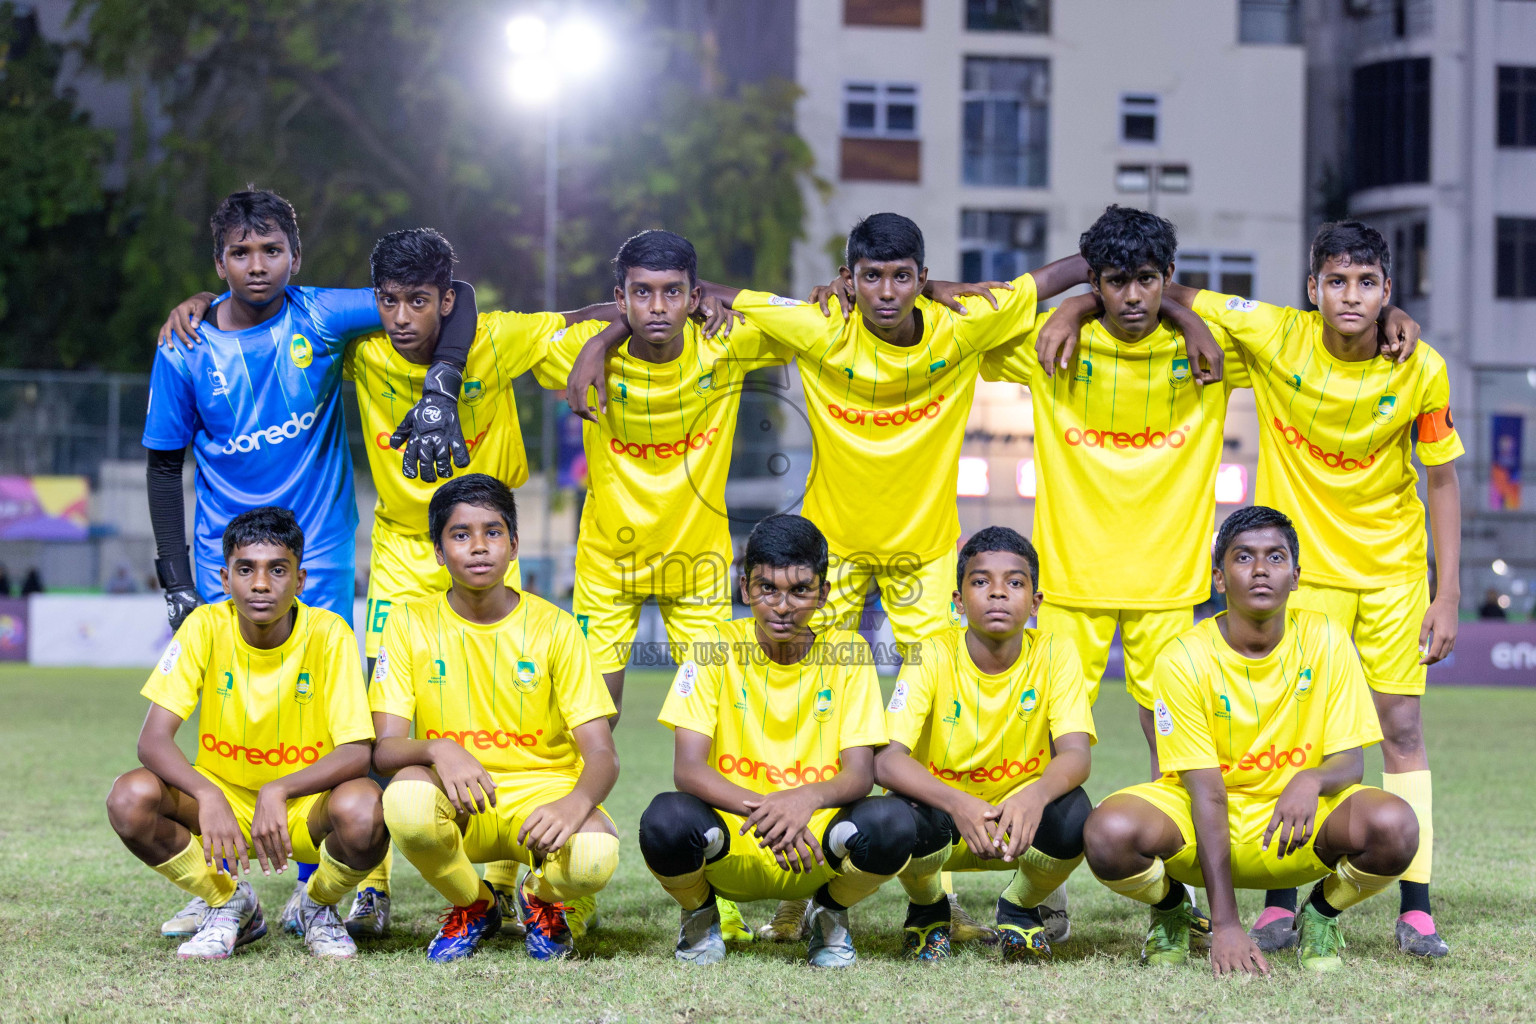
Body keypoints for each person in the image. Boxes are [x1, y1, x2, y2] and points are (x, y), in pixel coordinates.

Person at [144, 190, 477, 934]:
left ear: (295, 256)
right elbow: (165, 467)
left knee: (330, 725)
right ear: (218, 260)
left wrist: (442, 385)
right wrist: (175, 582)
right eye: (239, 253)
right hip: (218, 564)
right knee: (228, 718)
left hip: (318, 556)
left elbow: (457, 297)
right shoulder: (185, 344)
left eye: (271, 252)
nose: (256, 267)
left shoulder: (323, 314)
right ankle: (221, 893)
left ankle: (320, 889)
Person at [1164, 220, 1460, 957]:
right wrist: (1074, 305)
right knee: (1295, 735)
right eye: (1336, 282)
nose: (1350, 296)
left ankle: (1416, 907)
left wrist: (1446, 592)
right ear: (1312, 289)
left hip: (1393, 572)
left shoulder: (1421, 366)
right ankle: (1279, 899)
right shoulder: (1275, 334)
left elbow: (1444, 479)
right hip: (1303, 575)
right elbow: (1170, 290)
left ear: (1388, 291)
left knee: (1400, 732)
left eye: (1366, 284)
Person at [339, 228, 624, 938]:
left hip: (484, 540)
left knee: (515, 706)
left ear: (444, 300)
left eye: (418, 302)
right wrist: (204, 300)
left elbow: (589, 316)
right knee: (387, 720)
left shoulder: (494, 339)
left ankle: (506, 872)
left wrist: (606, 334)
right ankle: (372, 883)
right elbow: (279, 306)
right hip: (405, 548)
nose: (401, 318)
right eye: (389, 302)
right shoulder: (360, 345)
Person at [533, 229, 785, 943]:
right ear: (620, 298)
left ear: (694, 297)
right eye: (640, 293)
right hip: (606, 570)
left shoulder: (726, 344)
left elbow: (809, 317)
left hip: (698, 571)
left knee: (719, 730)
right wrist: (596, 339)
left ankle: (720, 884)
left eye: (673, 292)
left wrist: (721, 303)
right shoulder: (580, 348)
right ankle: (564, 886)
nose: (657, 307)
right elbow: (504, 330)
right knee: (587, 728)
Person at [1083, 506, 1419, 974]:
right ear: (1219, 578)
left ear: (1296, 576)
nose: (1261, 570)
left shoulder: (1327, 638)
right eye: (1244, 558)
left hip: (1294, 824)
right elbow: (1206, 791)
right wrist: (1227, 925)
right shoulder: (1182, 657)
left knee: (1396, 827)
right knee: (1107, 832)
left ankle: (1320, 914)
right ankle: (1173, 909)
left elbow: (1350, 762)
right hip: (1202, 822)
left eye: (1275, 557)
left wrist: (1310, 779)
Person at [104, 507, 386, 959]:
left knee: (366, 809)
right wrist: (208, 794)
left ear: (300, 580)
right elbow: (152, 741)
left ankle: (318, 906)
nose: (260, 584)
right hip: (221, 805)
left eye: (277, 569)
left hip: (301, 806)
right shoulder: (204, 627)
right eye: (245, 569)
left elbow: (356, 752)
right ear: (224, 578)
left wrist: (279, 788)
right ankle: (228, 900)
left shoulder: (330, 633)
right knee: (129, 798)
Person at [638, 514, 913, 967]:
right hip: (735, 837)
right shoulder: (712, 646)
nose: (782, 606)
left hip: (815, 843)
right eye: (767, 589)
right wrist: (772, 813)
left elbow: (861, 774)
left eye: (800, 590)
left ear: (823, 593)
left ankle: (830, 912)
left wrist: (802, 802)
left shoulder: (850, 654)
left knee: (894, 822)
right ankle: (700, 917)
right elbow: (688, 769)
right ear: (745, 589)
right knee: (665, 819)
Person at [372, 474, 620, 962]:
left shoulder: (557, 627)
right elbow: (384, 749)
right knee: (404, 799)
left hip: (542, 800)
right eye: (460, 535)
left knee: (595, 857)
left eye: (493, 532)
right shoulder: (406, 623)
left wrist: (573, 807)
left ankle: (540, 898)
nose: (479, 547)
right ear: (439, 553)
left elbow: (603, 753)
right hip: (463, 800)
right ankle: (475, 903)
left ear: (514, 546)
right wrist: (439, 749)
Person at [875, 526, 1094, 962]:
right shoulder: (930, 653)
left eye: (1014, 582)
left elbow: (1075, 753)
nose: (998, 593)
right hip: (945, 821)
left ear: (1035, 602)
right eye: (980, 582)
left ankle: (1019, 906)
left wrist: (1036, 795)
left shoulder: (1056, 652)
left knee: (1075, 815)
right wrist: (958, 804)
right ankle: (927, 908)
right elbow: (887, 763)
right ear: (958, 601)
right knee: (895, 814)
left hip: (1019, 823)